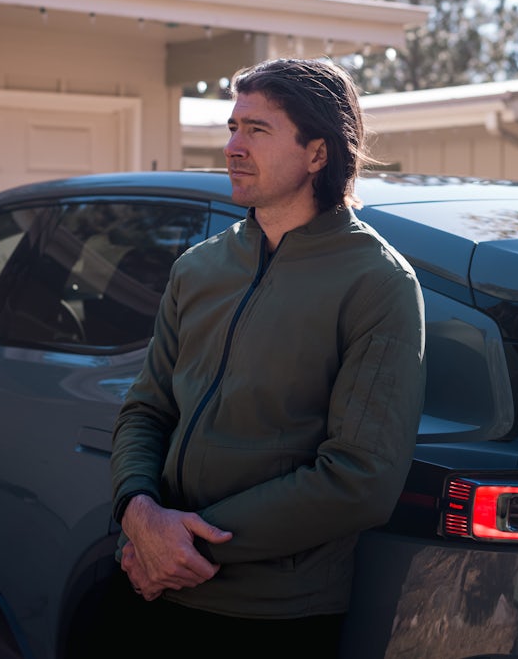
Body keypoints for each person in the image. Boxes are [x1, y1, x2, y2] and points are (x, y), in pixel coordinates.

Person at [100, 57, 426, 657]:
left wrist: (183, 546)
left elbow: (360, 479)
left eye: (257, 130)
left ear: (318, 154)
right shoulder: (198, 268)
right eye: (231, 127)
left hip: (276, 615)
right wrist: (139, 512)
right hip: (159, 590)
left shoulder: (377, 282)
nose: (232, 146)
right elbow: (146, 410)